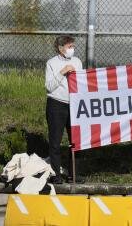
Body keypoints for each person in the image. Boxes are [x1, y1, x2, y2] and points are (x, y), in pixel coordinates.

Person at [44, 35, 82, 182]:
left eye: (73, 46)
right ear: (61, 49)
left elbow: (82, 83)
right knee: (55, 141)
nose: (72, 49)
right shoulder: (51, 63)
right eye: (69, 46)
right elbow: (49, 86)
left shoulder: (77, 62)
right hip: (56, 104)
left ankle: (73, 174)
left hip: (74, 104)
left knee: (76, 140)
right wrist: (62, 72)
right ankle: (56, 175)